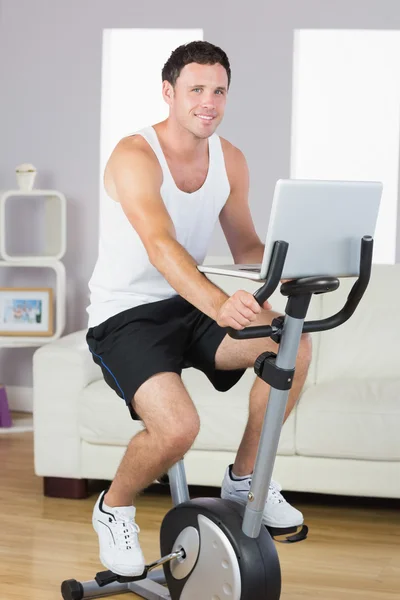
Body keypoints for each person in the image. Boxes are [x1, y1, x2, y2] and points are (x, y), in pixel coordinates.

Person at [86, 40, 312, 577]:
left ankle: (246, 478)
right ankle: (113, 507)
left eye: (219, 91)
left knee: (293, 343)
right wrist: (217, 302)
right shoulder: (134, 155)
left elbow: (247, 247)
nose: (208, 102)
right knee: (178, 428)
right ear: (169, 92)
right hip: (126, 316)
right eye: (196, 89)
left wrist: (290, 263)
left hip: (187, 303)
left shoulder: (229, 159)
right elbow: (161, 247)